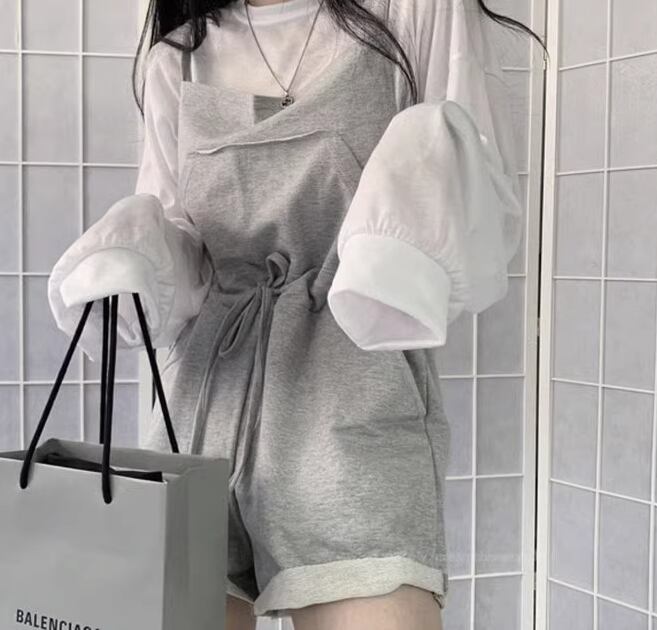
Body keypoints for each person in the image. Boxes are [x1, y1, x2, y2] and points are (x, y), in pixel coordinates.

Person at [47, 0, 545, 628]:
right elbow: (183, 234)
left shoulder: (412, 10)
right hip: (199, 413)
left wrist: (391, 260)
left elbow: (474, 182)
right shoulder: (176, 57)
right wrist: (133, 257)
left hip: (352, 405)